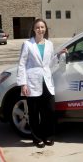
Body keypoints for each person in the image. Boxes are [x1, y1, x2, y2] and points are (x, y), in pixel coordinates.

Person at [16, 19, 67, 148]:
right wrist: (23, 84)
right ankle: (37, 138)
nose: (40, 30)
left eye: (42, 27)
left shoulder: (49, 44)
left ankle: (48, 136)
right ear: (33, 29)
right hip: (32, 83)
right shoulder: (27, 44)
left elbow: (49, 64)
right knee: (34, 113)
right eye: (37, 27)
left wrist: (58, 55)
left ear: (45, 29)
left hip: (47, 82)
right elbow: (21, 65)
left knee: (49, 111)